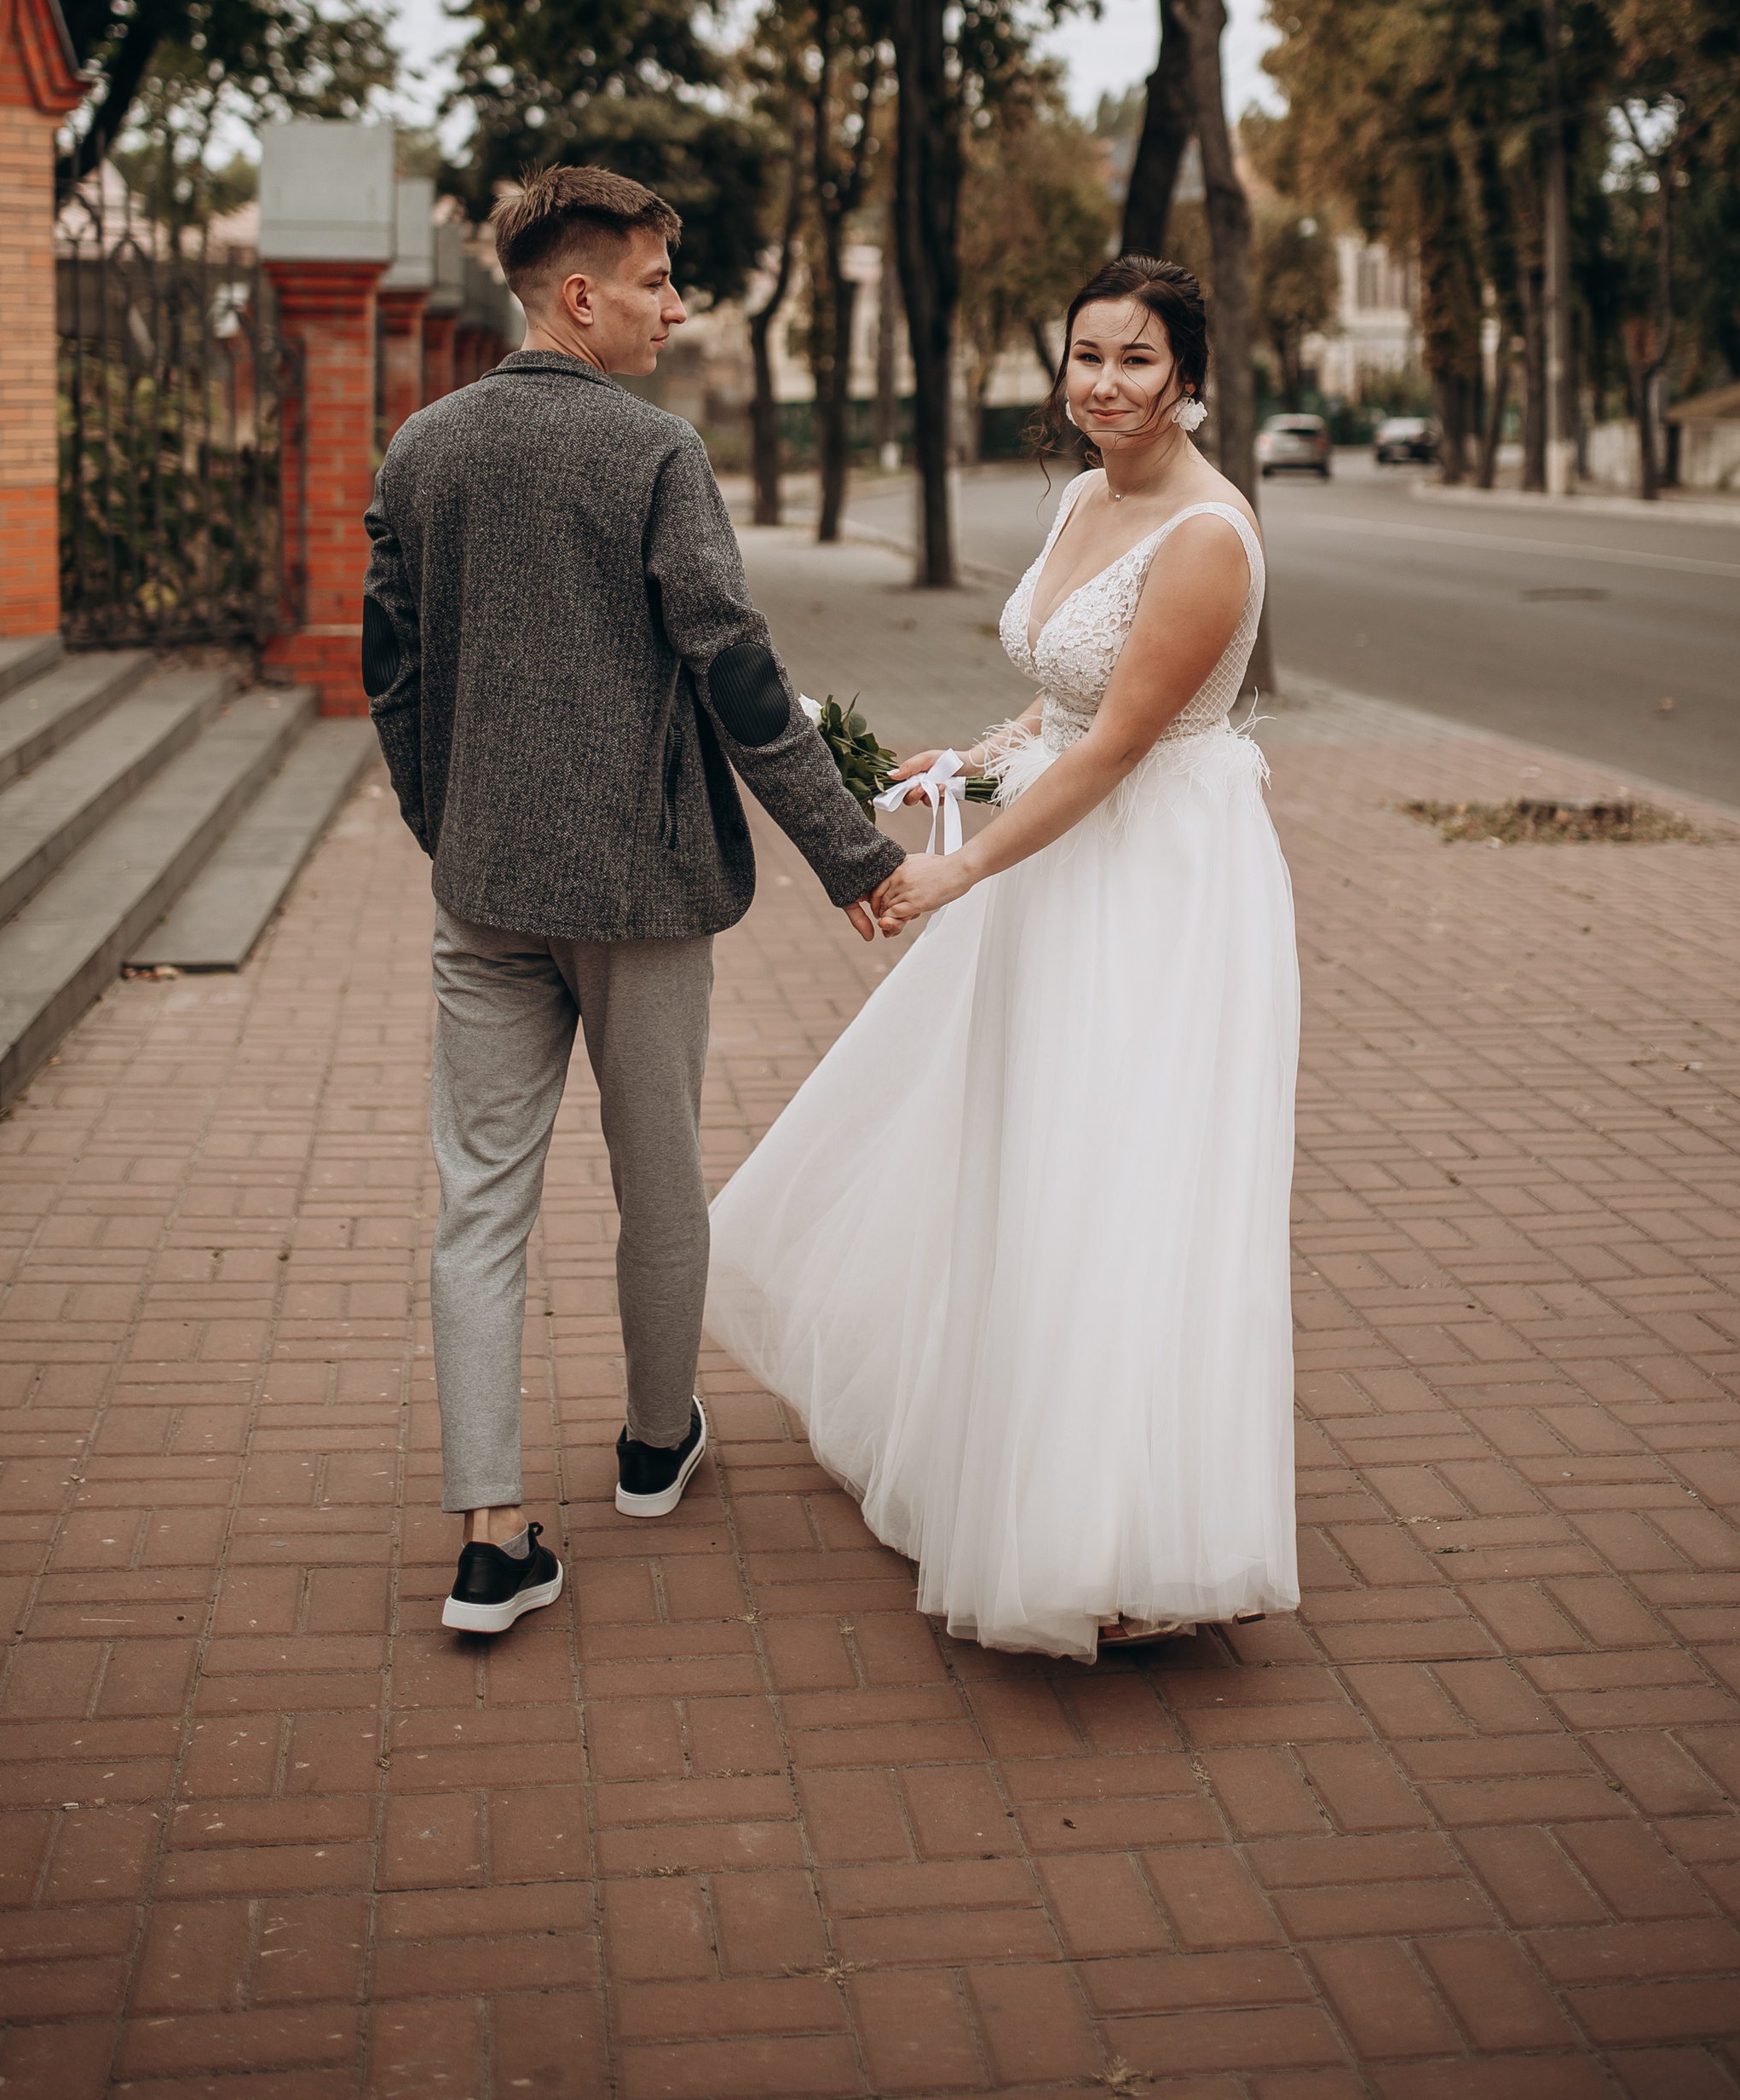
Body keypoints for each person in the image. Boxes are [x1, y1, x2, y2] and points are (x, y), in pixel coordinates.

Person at [705, 256, 1298, 1659]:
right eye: (1088, 355)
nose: (1106, 384)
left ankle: (1121, 1532)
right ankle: (1024, 1472)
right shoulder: (1089, 497)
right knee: (1032, 1152)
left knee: (1120, 1171)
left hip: (1154, 881)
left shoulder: (1208, 534)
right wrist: (963, 766)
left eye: (1137, 359)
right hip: (1062, 853)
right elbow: (1060, 704)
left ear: (1189, 374)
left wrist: (961, 865)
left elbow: (1120, 742)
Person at [361, 165, 904, 1640]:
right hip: (645, 890)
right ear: (579, 294)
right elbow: (735, 671)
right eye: (658, 281)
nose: (677, 306)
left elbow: (391, 666)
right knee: (658, 1174)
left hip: (486, 891)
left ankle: (489, 1537)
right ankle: (657, 1446)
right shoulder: (656, 453)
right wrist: (853, 854)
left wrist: (447, 821)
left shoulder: (422, 447)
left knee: (480, 1197)